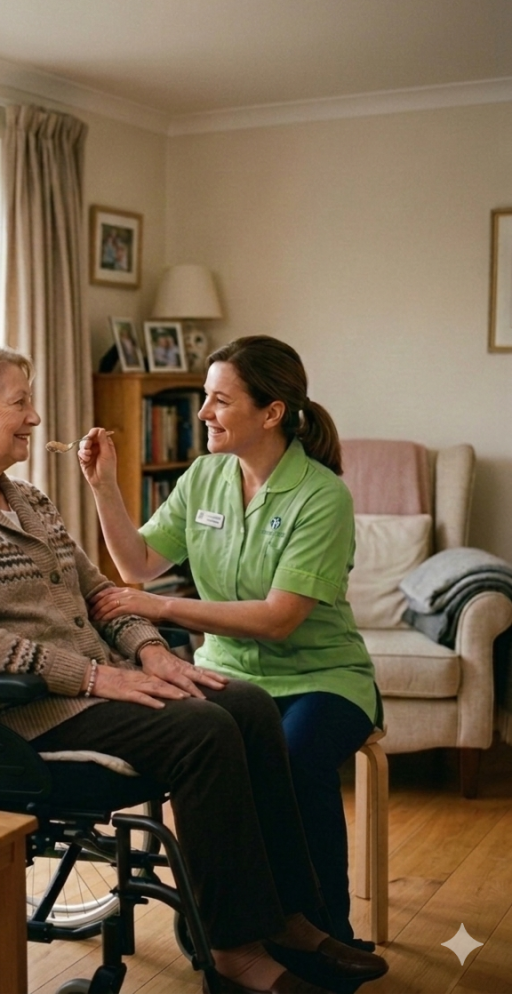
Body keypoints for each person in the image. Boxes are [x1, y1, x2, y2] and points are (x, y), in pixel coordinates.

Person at [0, 339, 387, 994]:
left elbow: (103, 594)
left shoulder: (30, 501)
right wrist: (100, 676)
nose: (35, 418)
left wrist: (150, 651)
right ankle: (235, 951)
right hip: (29, 709)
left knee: (245, 705)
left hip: (103, 690)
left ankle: (290, 917)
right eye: (21, 403)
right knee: (204, 731)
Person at [79, 334, 380, 951]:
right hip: (225, 673)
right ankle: (228, 927)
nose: (203, 413)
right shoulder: (203, 477)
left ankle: (326, 932)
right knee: (201, 753)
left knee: (296, 760)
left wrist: (161, 605)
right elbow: (137, 561)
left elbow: (278, 620)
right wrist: (104, 486)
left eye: (220, 399)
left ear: (271, 412)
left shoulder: (322, 496)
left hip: (321, 678)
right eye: (205, 398)